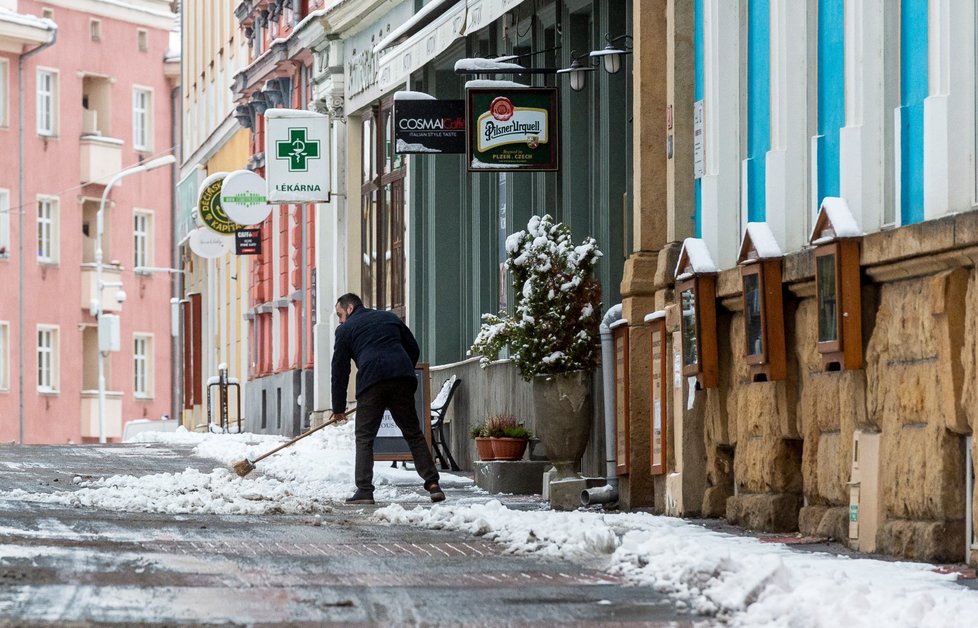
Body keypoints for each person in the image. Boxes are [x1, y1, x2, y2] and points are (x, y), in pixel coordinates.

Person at [331, 293, 444, 505]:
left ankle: (364, 490)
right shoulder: (389, 318)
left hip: (371, 382)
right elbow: (413, 348)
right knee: (413, 433)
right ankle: (433, 484)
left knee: (365, 437)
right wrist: (401, 370)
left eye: (339, 314)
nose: (339, 320)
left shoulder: (345, 330)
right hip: (401, 378)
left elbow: (339, 370)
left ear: (350, 309)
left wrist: (338, 408)